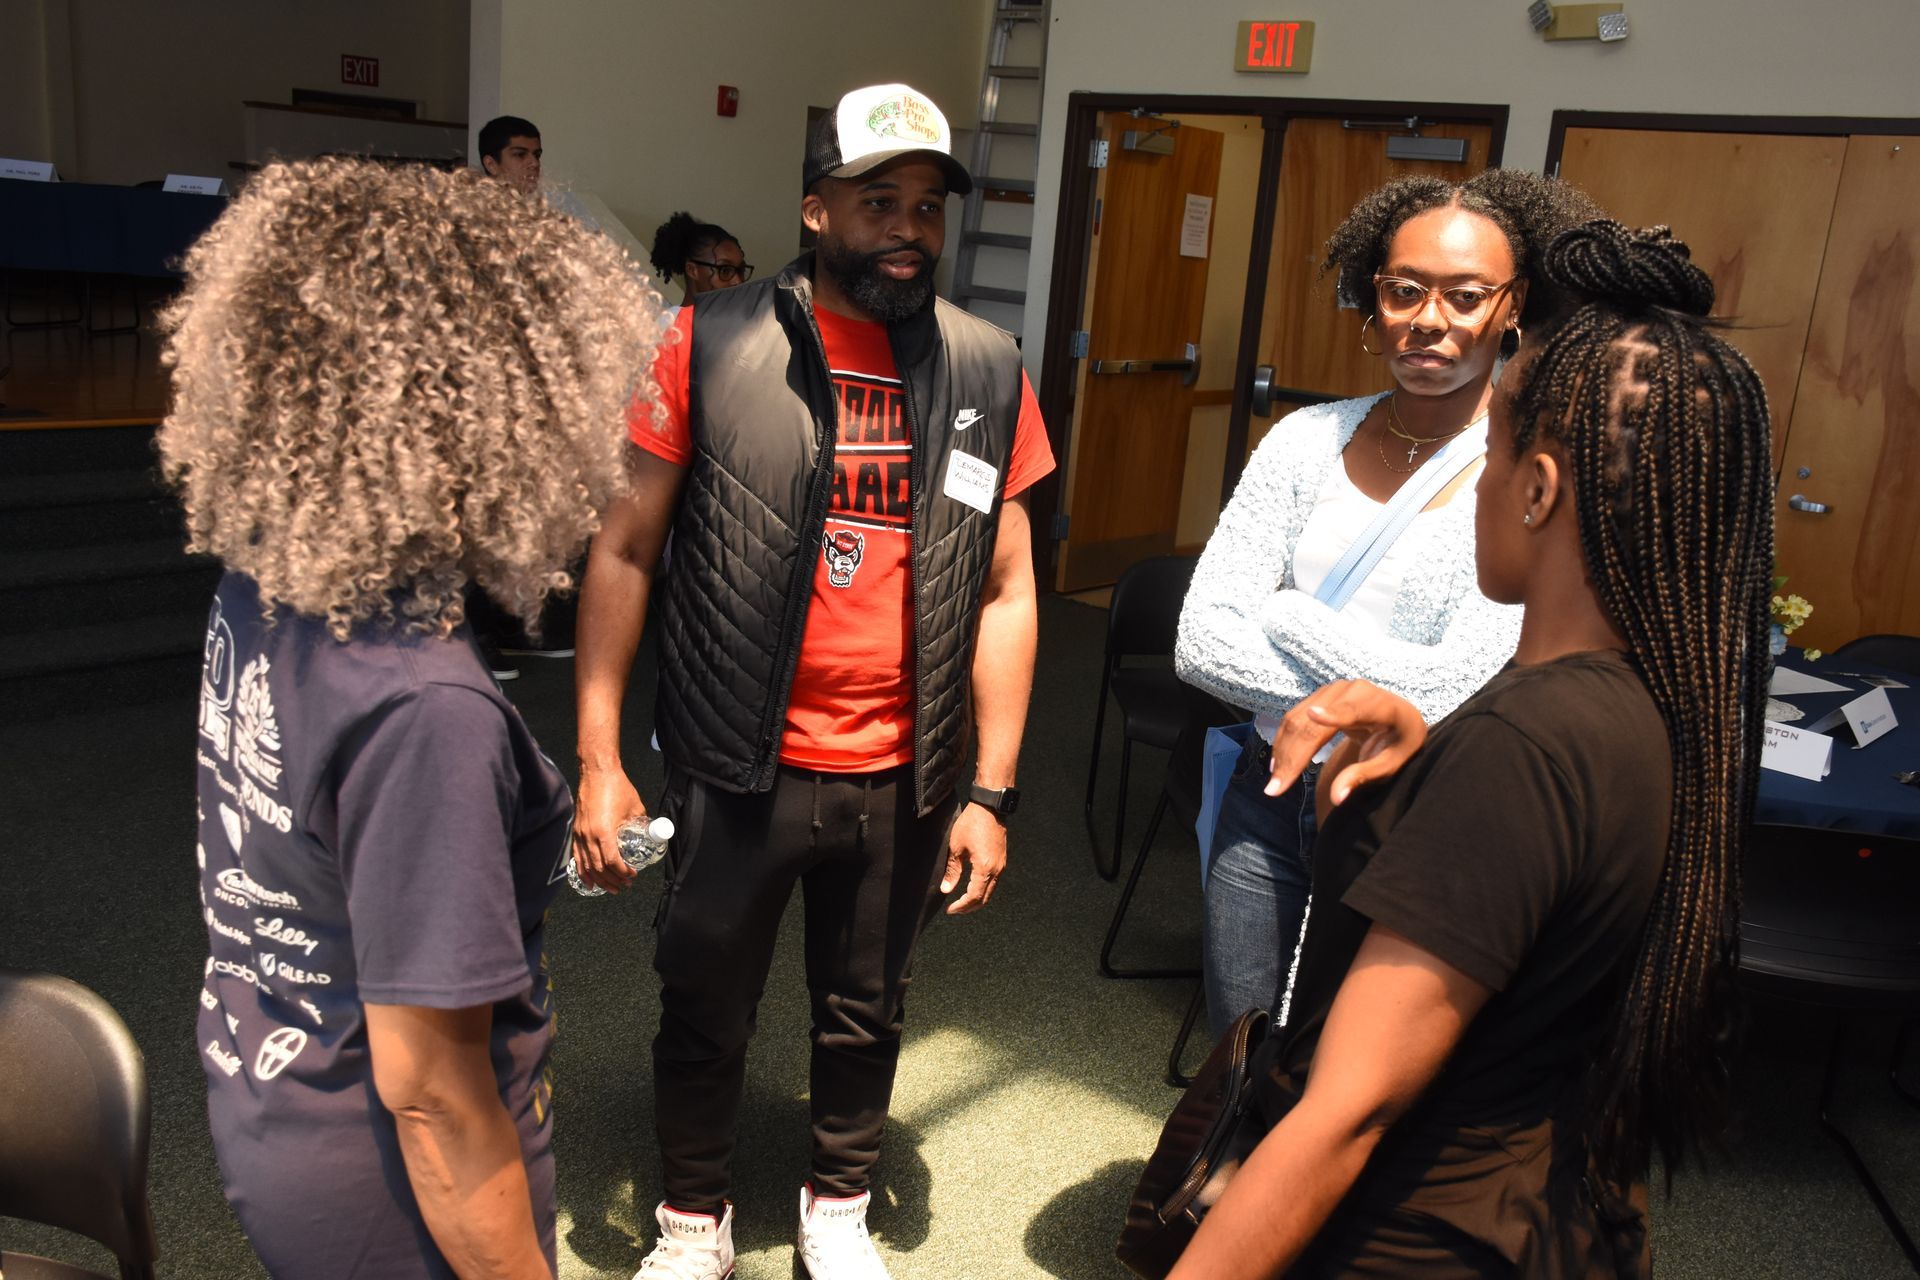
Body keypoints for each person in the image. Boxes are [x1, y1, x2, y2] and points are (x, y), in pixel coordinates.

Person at [1166, 221, 1773, 1277]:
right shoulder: (1657, 710)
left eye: (1488, 457)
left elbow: (1343, 1116)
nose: (1476, 483)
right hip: (1542, 1213)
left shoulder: (1518, 751)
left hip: (1412, 1235)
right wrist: (1420, 738)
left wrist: (1295, 620)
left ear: (1536, 489)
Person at [572, 82, 1054, 1280]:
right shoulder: (709, 340)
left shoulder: (988, 367)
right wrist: (598, 754)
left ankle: (837, 1205)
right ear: (816, 208)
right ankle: (693, 1219)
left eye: (928, 205)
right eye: (877, 200)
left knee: (867, 1004)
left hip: (903, 765)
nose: (907, 227)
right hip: (739, 756)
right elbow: (623, 550)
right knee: (704, 999)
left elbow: (1008, 589)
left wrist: (990, 788)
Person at [161, 158, 663, 1279]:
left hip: (273, 1092)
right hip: (395, 1192)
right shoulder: (428, 706)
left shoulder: (271, 582)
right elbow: (432, 1094)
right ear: (496, 418)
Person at [1174, 170, 1602, 1039]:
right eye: (1404, 290)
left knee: (1353, 1070)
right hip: (1268, 796)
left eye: (1465, 295)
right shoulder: (1303, 441)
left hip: (1416, 815)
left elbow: (1453, 690)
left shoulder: (1530, 469)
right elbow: (1201, 642)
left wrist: (1287, 617)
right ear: (1373, 297)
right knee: (1240, 1052)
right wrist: (1368, 689)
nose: (1428, 318)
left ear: (1515, 306)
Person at [649, 211, 752, 312]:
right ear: (692, 270)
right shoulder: (672, 321)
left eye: (741, 270)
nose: (738, 281)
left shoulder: (739, 319)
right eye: (725, 271)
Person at [480, 114, 543, 194]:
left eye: (537, 155)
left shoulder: (545, 199)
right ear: (491, 165)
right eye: (520, 155)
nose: (535, 163)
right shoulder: (474, 202)